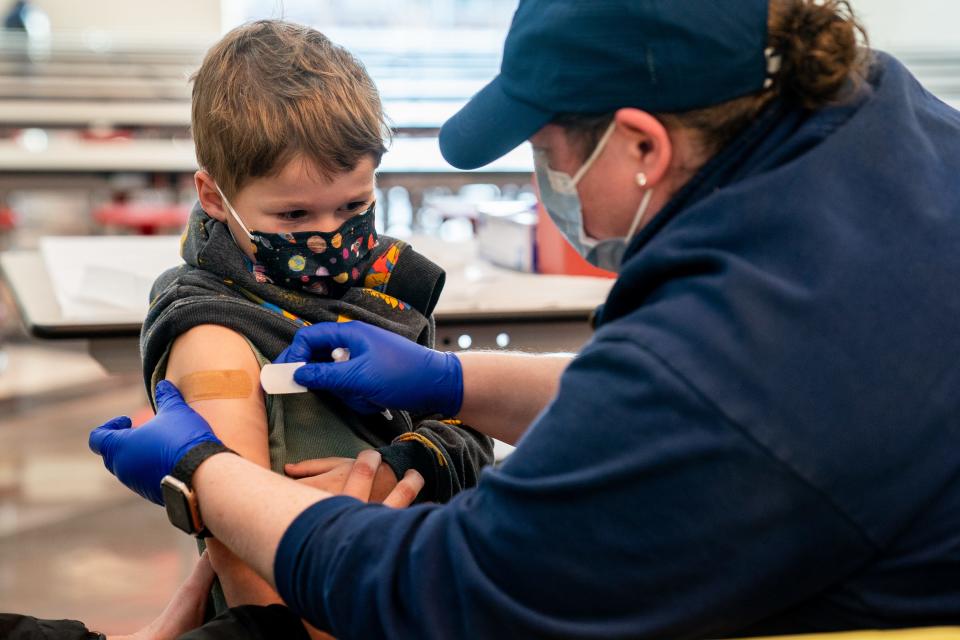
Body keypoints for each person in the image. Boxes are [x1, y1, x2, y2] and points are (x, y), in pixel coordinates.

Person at [89, 0, 960, 637]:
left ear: (643, 145)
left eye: (546, 153)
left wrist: (202, 469)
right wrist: (452, 383)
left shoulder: (736, 346)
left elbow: (446, 592)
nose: (545, 181)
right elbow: (665, 401)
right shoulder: (875, 111)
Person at [140, 18, 492, 630]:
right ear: (214, 196)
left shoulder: (382, 287)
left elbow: (472, 432)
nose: (330, 237)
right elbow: (247, 568)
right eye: (295, 213)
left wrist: (404, 463)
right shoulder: (213, 333)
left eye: (354, 206)